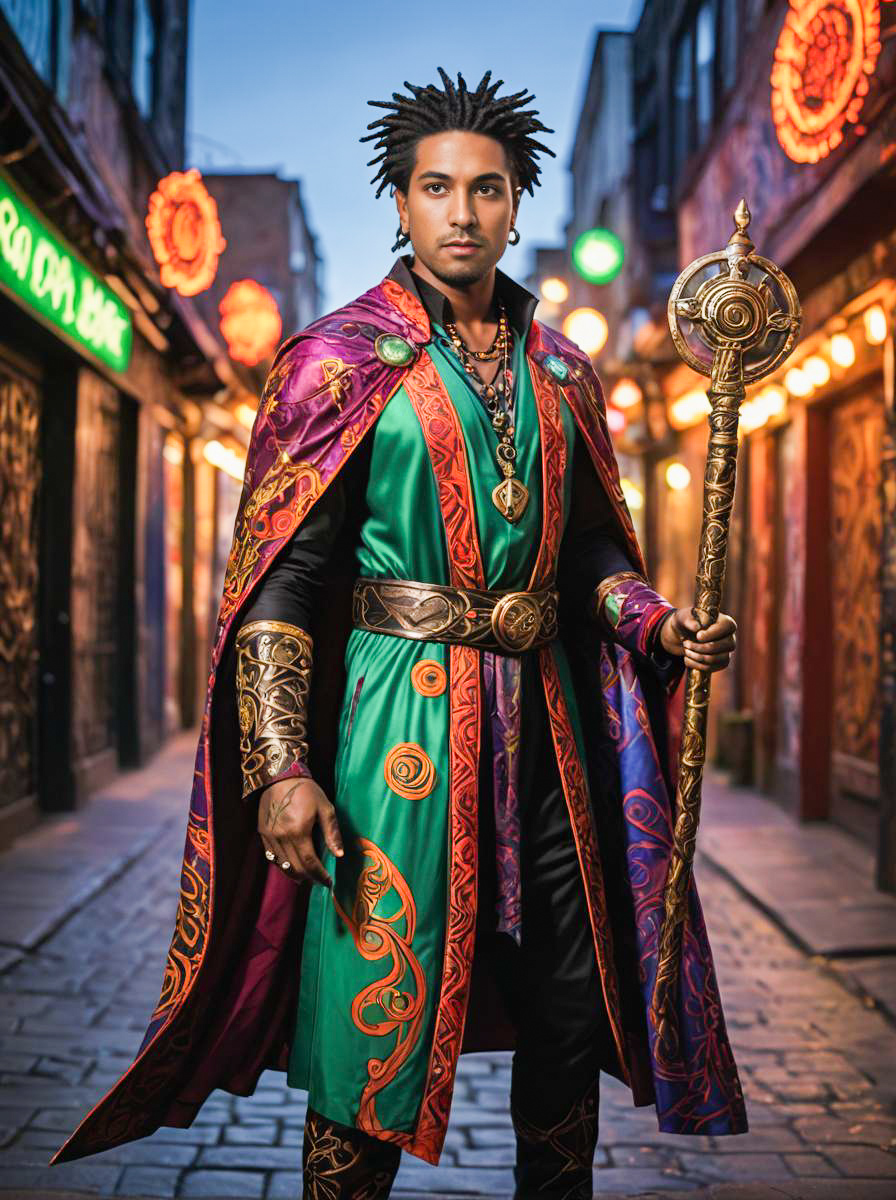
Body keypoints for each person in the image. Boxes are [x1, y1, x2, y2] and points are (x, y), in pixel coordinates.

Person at [52, 68, 747, 1199]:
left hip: (554, 745)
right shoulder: (336, 362)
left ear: (518, 203)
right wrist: (280, 766)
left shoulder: (566, 372)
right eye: (436, 188)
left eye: (486, 189)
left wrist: (659, 624)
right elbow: (281, 582)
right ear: (400, 202)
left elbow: (589, 566)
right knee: (367, 1022)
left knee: (571, 1008)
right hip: (392, 734)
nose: (462, 213)